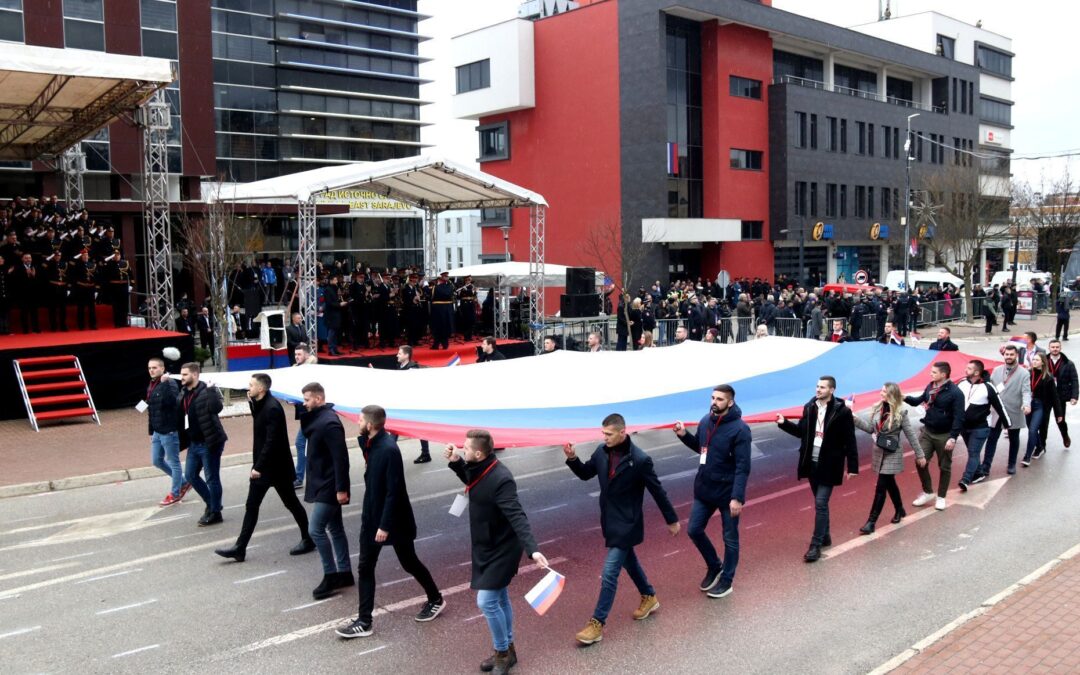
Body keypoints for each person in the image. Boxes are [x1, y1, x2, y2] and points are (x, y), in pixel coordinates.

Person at [564, 414, 679, 645]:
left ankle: (597, 624)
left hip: (628, 523)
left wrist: (672, 519)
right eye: (603, 433)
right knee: (631, 563)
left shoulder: (640, 460)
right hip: (609, 520)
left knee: (609, 573)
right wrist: (573, 458)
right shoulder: (601, 451)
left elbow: (658, 491)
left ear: (622, 433)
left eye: (608, 434)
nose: (604, 437)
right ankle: (649, 596)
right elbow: (586, 474)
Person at [336, 405, 445, 638]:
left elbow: (394, 491)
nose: (358, 423)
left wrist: (384, 525)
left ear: (371, 424)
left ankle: (435, 598)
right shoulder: (372, 443)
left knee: (409, 562)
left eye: (361, 420)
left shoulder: (388, 449)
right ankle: (364, 621)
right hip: (371, 516)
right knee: (365, 566)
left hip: (393, 520)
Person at [444, 430, 548, 675]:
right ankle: (509, 650)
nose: (463, 449)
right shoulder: (480, 466)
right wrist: (456, 461)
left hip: (503, 548)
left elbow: (517, 516)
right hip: (485, 544)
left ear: (479, 453)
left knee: (487, 601)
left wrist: (532, 550)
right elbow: (471, 478)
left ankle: (502, 652)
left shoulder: (502, 478)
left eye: (466, 449)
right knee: (499, 597)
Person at [214, 373, 314, 562]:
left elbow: (271, 441)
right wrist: (251, 404)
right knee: (252, 506)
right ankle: (240, 548)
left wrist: (258, 467)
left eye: (251, 385)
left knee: (291, 503)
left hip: (275, 468)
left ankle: (308, 538)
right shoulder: (262, 404)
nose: (248, 388)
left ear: (262, 388)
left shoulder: (272, 408)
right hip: (266, 466)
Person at [673, 384, 751, 596]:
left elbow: (743, 467)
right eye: (712, 398)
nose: (714, 402)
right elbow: (701, 448)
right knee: (694, 530)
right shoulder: (706, 421)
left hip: (727, 494)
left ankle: (727, 580)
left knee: (730, 539)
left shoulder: (741, 429)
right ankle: (714, 565)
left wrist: (737, 497)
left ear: (730, 402)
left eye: (719, 399)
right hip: (705, 489)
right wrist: (683, 435)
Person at [777, 376, 858, 562]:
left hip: (830, 464)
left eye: (822, 387)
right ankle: (825, 535)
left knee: (821, 503)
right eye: (817, 386)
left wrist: (852, 466)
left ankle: (815, 545)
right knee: (820, 503)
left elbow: (849, 440)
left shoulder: (842, 411)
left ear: (832, 390)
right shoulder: (809, 407)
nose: (818, 390)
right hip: (811, 463)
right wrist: (784, 423)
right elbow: (801, 432)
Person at [300, 381, 354, 600]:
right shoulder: (319, 419)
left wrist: (341, 489)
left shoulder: (329, 422)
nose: (304, 404)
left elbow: (341, 459)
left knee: (315, 530)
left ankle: (330, 575)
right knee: (336, 528)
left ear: (318, 399)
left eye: (306, 400)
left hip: (329, 486)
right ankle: (345, 572)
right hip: (324, 482)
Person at [851, 382, 924, 533]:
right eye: (881, 390)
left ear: (891, 393)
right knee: (890, 483)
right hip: (879, 451)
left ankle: (871, 522)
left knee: (881, 487)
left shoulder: (901, 411)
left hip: (892, 453)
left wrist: (920, 454)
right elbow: (870, 429)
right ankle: (900, 509)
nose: (881, 393)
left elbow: (910, 434)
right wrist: (854, 418)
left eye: (884, 391)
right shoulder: (878, 408)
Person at [904, 361, 964, 510]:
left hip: (944, 435)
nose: (931, 374)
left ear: (943, 374)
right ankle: (928, 491)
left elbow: (959, 417)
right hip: (928, 431)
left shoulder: (955, 393)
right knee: (920, 460)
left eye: (934, 372)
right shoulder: (931, 386)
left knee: (944, 467)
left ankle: (941, 497)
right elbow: (918, 401)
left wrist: (953, 437)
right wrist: (903, 397)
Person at [178, 362, 227, 526]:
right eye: (181, 374)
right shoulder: (184, 392)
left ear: (195, 375)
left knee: (212, 478)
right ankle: (212, 504)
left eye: (185, 374)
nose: (182, 377)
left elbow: (216, 408)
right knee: (190, 475)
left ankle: (215, 512)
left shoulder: (206, 391)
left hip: (209, 441)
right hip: (194, 442)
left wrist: (212, 391)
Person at [980, 345, 1032, 477]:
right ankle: (986, 466)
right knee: (992, 438)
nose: (1008, 357)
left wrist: (1026, 405)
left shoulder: (1024, 373)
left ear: (1016, 356)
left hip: (1014, 410)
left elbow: (1026, 391)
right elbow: (989, 389)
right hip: (997, 411)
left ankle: (1011, 464)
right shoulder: (997, 370)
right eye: (1007, 354)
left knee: (1014, 439)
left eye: (1011, 355)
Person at [956, 360, 1010, 491]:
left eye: (969, 368)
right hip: (964, 427)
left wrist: (1007, 423)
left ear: (976, 372)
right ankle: (979, 472)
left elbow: (999, 406)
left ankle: (966, 479)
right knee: (971, 451)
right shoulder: (961, 383)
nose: (965, 370)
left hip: (980, 428)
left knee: (973, 453)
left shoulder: (988, 387)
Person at [146, 357, 187, 507]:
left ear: (162, 369)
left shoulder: (169, 383)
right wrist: (151, 431)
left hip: (169, 430)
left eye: (155, 367)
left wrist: (164, 383)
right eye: (150, 368)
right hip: (157, 430)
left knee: (174, 462)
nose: (152, 370)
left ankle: (175, 493)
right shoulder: (151, 385)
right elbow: (151, 409)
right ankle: (183, 482)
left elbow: (173, 403)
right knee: (156, 460)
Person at [1023, 353, 1063, 466]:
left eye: (1037, 360)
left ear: (1042, 362)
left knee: (1032, 430)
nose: (1034, 361)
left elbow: (1055, 397)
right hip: (1028, 405)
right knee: (1031, 428)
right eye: (1033, 359)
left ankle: (1027, 456)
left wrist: (1058, 413)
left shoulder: (1048, 378)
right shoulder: (1028, 374)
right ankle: (1040, 447)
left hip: (1040, 406)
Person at [397, 345, 432, 463]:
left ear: (406, 355)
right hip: (402, 404)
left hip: (413, 405)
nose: (397, 355)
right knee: (395, 427)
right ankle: (426, 453)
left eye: (400, 353)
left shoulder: (413, 368)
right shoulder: (400, 366)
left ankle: (426, 454)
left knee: (419, 429)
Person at [1042, 339, 1076, 452]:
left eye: (1057, 347)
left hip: (1060, 396)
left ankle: (1065, 436)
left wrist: (1074, 396)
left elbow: (1075, 380)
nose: (1055, 349)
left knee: (1060, 419)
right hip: (1046, 396)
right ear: (1049, 348)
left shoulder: (1069, 363)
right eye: (1053, 347)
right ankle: (1042, 444)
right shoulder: (1043, 362)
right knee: (1044, 421)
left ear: (1060, 348)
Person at [291, 344, 317, 489]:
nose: (297, 357)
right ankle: (301, 476)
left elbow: (310, 394)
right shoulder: (298, 370)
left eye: (299, 354)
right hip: (305, 415)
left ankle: (299, 477)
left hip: (310, 415)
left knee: (301, 444)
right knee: (307, 445)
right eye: (295, 354)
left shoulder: (310, 372)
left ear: (307, 355)